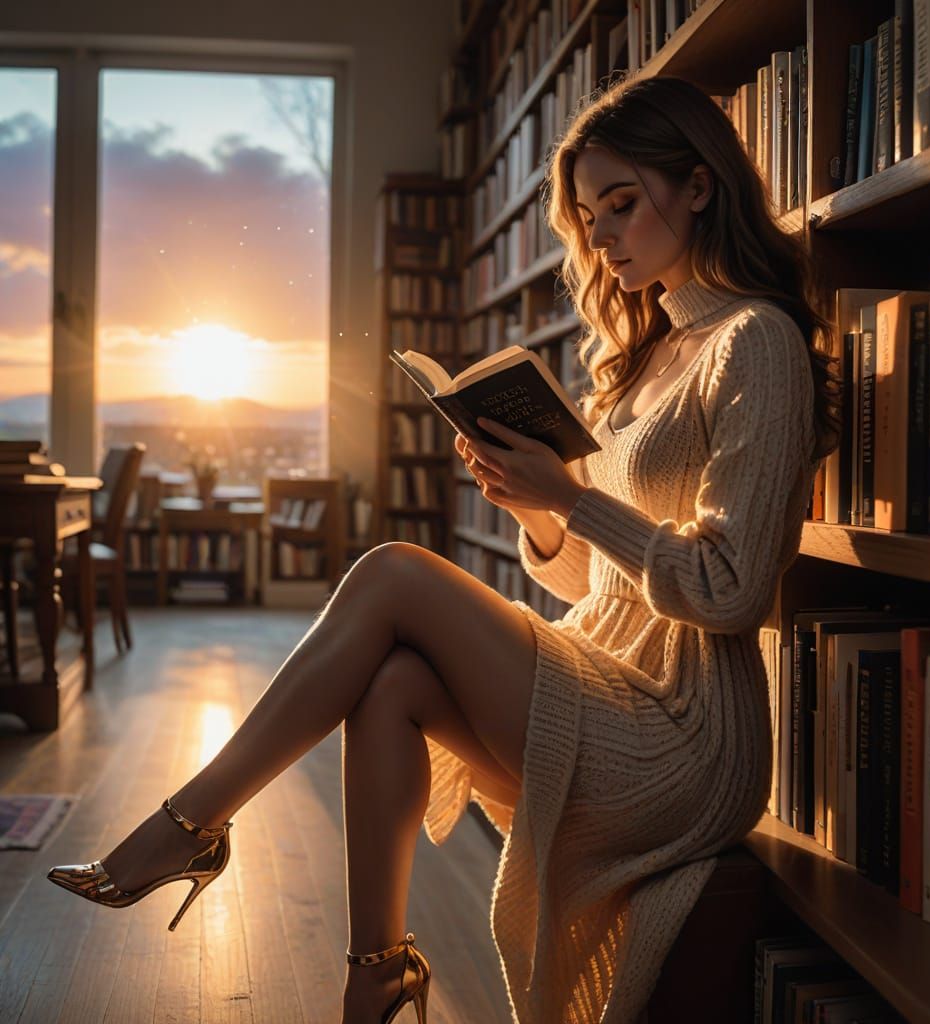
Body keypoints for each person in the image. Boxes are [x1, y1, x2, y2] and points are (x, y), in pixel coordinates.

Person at [46, 73, 840, 1024]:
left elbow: (729, 589)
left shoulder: (755, 341)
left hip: (689, 732)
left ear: (700, 184)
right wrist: (538, 507)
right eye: (588, 218)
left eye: (622, 204)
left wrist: (571, 500)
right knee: (391, 689)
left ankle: (190, 824)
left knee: (392, 572)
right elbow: (597, 577)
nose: (602, 237)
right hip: (616, 669)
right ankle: (375, 972)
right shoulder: (646, 356)